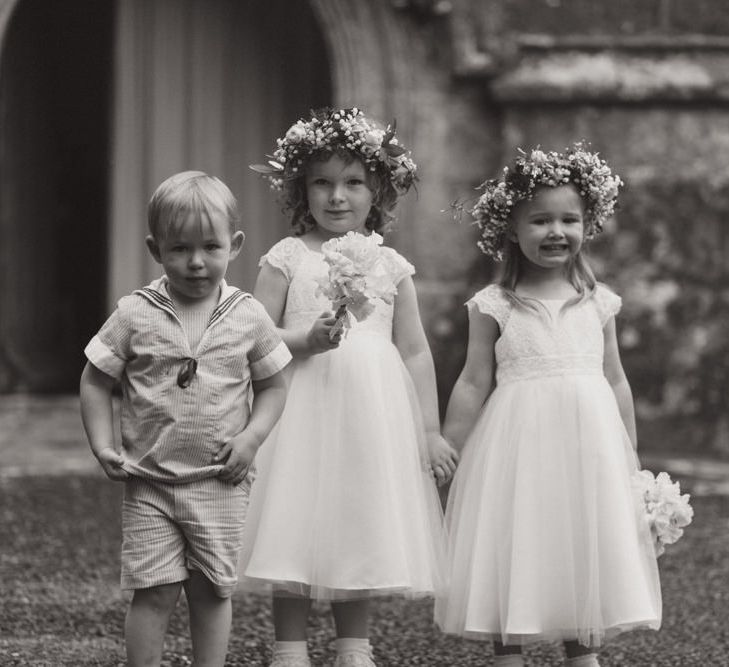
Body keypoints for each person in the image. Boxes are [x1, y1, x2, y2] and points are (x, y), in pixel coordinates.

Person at [239, 107, 458, 667]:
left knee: (356, 515)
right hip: (297, 409)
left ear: (377, 189)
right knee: (294, 515)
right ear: (300, 189)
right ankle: (289, 647)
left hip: (368, 412)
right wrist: (303, 340)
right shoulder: (286, 259)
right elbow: (254, 339)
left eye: (353, 183)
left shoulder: (390, 265)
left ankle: (353, 647)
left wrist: (429, 429)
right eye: (323, 183)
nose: (338, 197)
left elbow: (413, 350)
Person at [434, 144, 662, 667]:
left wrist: (630, 457)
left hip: (589, 446)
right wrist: (449, 444)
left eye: (569, 219)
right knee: (515, 539)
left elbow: (615, 379)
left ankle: (584, 654)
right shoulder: (493, 304)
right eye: (539, 220)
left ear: (588, 224)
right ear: (511, 229)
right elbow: (473, 380)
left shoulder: (599, 301)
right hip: (518, 444)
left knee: (583, 540)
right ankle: (509, 649)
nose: (556, 231)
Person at [79, 171, 291, 667]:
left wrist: (252, 438)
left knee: (212, 591)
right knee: (153, 592)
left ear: (234, 245)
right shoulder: (135, 313)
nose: (196, 262)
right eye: (179, 249)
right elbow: (95, 379)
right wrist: (102, 443)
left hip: (220, 480)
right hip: (149, 481)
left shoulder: (249, 315)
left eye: (210, 247)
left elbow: (274, 386)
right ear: (156, 249)